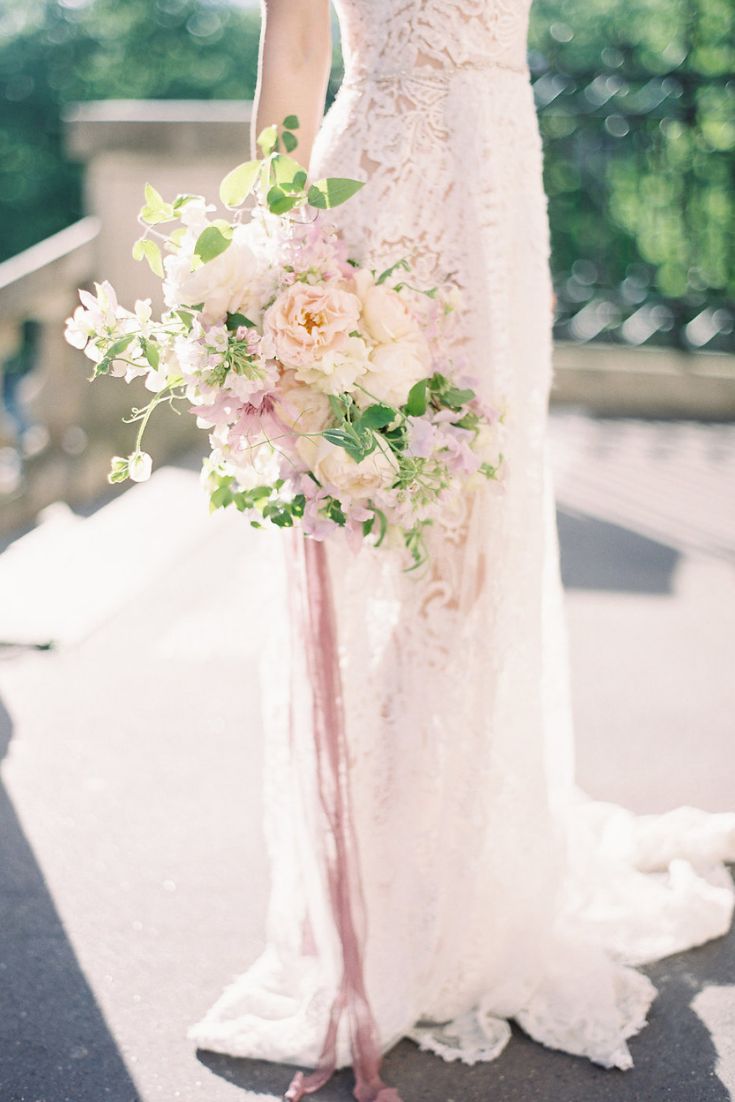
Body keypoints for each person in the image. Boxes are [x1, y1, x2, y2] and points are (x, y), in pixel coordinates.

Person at [188, 3, 735, 1099]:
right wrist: (284, 264)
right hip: (379, 203)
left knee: (478, 553)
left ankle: (464, 874)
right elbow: (295, 54)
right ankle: (379, 899)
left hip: (498, 201)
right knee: (375, 535)